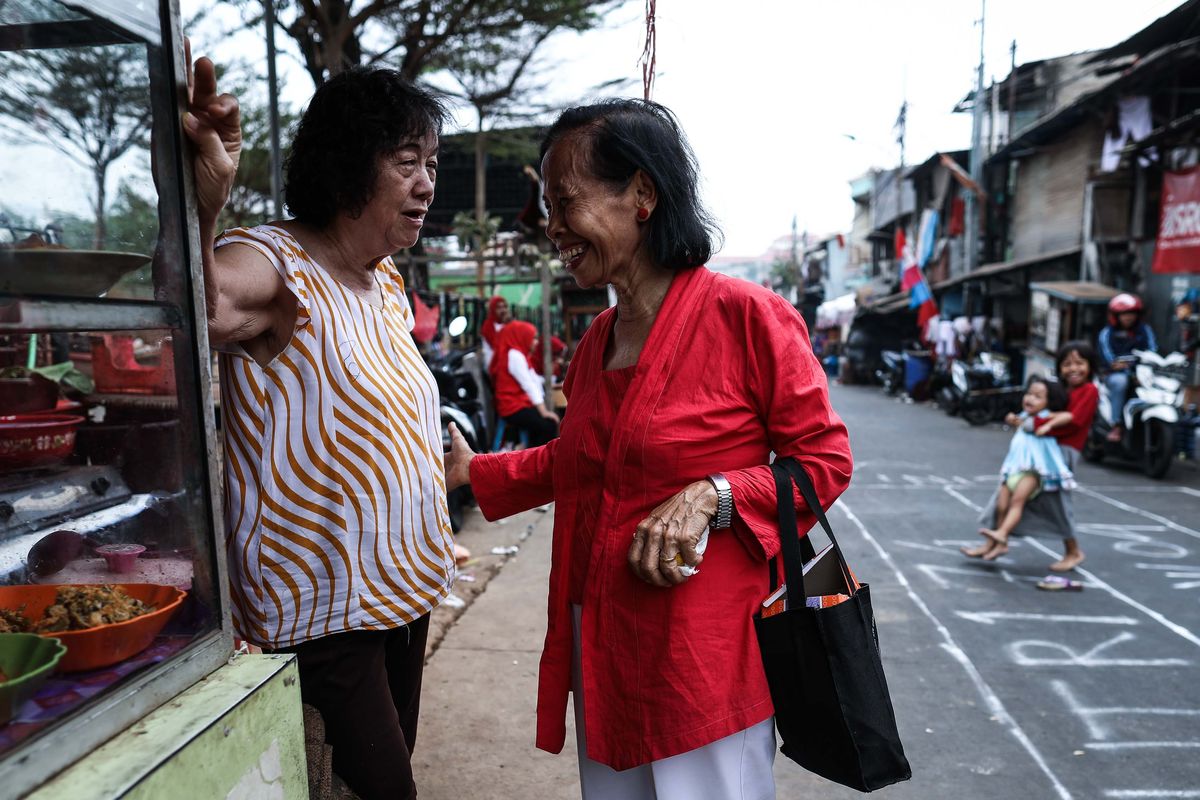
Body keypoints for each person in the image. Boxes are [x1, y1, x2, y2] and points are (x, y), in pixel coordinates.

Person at [443, 99, 852, 800]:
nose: (553, 228)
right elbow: (581, 462)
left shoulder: (748, 316)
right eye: (548, 206)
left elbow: (823, 464)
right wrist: (470, 474)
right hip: (601, 645)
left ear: (642, 193)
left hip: (702, 658)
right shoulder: (596, 342)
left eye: (564, 201)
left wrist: (712, 496)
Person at [185, 53, 455, 800]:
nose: (428, 182)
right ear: (346, 168)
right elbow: (203, 309)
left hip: (401, 596)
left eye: (431, 162)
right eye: (407, 161)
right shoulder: (274, 263)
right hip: (325, 616)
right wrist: (203, 207)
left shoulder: (386, 280)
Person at [964, 341, 1099, 572]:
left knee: (1055, 502)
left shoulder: (1089, 391)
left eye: (1080, 363)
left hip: (1060, 454)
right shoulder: (1061, 389)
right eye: (1067, 364)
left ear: (1090, 366)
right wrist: (1027, 421)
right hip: (1038, 449)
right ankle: (993, 541)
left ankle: (1073, 550)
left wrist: (1032, 423)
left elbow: (1073, 421)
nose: (1073, 369)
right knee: (1004, 493)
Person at [967, 376, 1074, 560]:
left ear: (1049, 402)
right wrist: (1012, 419)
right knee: (1002, 505)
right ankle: (1001, 543)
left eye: (1038, 396)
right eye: (1029, 394)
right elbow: (1018, 422)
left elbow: (1068, 416)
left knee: (1017, 501)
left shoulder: (1044, 416)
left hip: (1033, 470)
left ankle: (1002, 533)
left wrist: (1048, 425)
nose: (1030, 398)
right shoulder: (1024, 416)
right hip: (1014, 467)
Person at [1098, 292, 1157, 440]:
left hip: (1142, 374)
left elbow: (1152, 351)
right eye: (1124, 314)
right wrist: (1123, 367)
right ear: (1116, 316)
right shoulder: (1107, 334)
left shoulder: (1144, 330)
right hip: (1113, 376)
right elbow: (1111, 361)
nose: (1129, 317)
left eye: (1132, 313)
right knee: (1121, 382)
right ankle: (1116, 425)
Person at [492, 319, 559, 447]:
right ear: (522, 336)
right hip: (511, 407)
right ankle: (539, 461)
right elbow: (529, 385)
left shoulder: (521, 355)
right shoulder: (514, 356)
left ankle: (535, 454)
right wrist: (544, 411)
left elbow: (534, 379)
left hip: (519, 403)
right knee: (548, 425)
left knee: (544, 423)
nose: (536, 342)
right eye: (533, 338)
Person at [480, 295, 512, 371]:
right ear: (493, 309)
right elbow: (497, 346)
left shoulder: (508, 323)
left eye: (505, 307)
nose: (503, 310)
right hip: (493, 364)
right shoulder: (488, 326)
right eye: (499, 308)